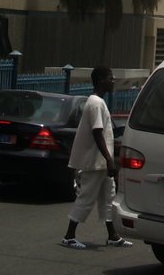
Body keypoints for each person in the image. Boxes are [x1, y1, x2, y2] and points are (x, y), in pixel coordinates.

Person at [61, 66, 132, 250]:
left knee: (108, 197)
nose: (113, 80)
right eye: (110, 77)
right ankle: (69, 235)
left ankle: (113, 236)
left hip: (101, 162)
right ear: (101, 80)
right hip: (95, 162)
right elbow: (97, 133)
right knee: (86, 197)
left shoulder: (98, 102)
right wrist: (109, 159)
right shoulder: (95, 103)